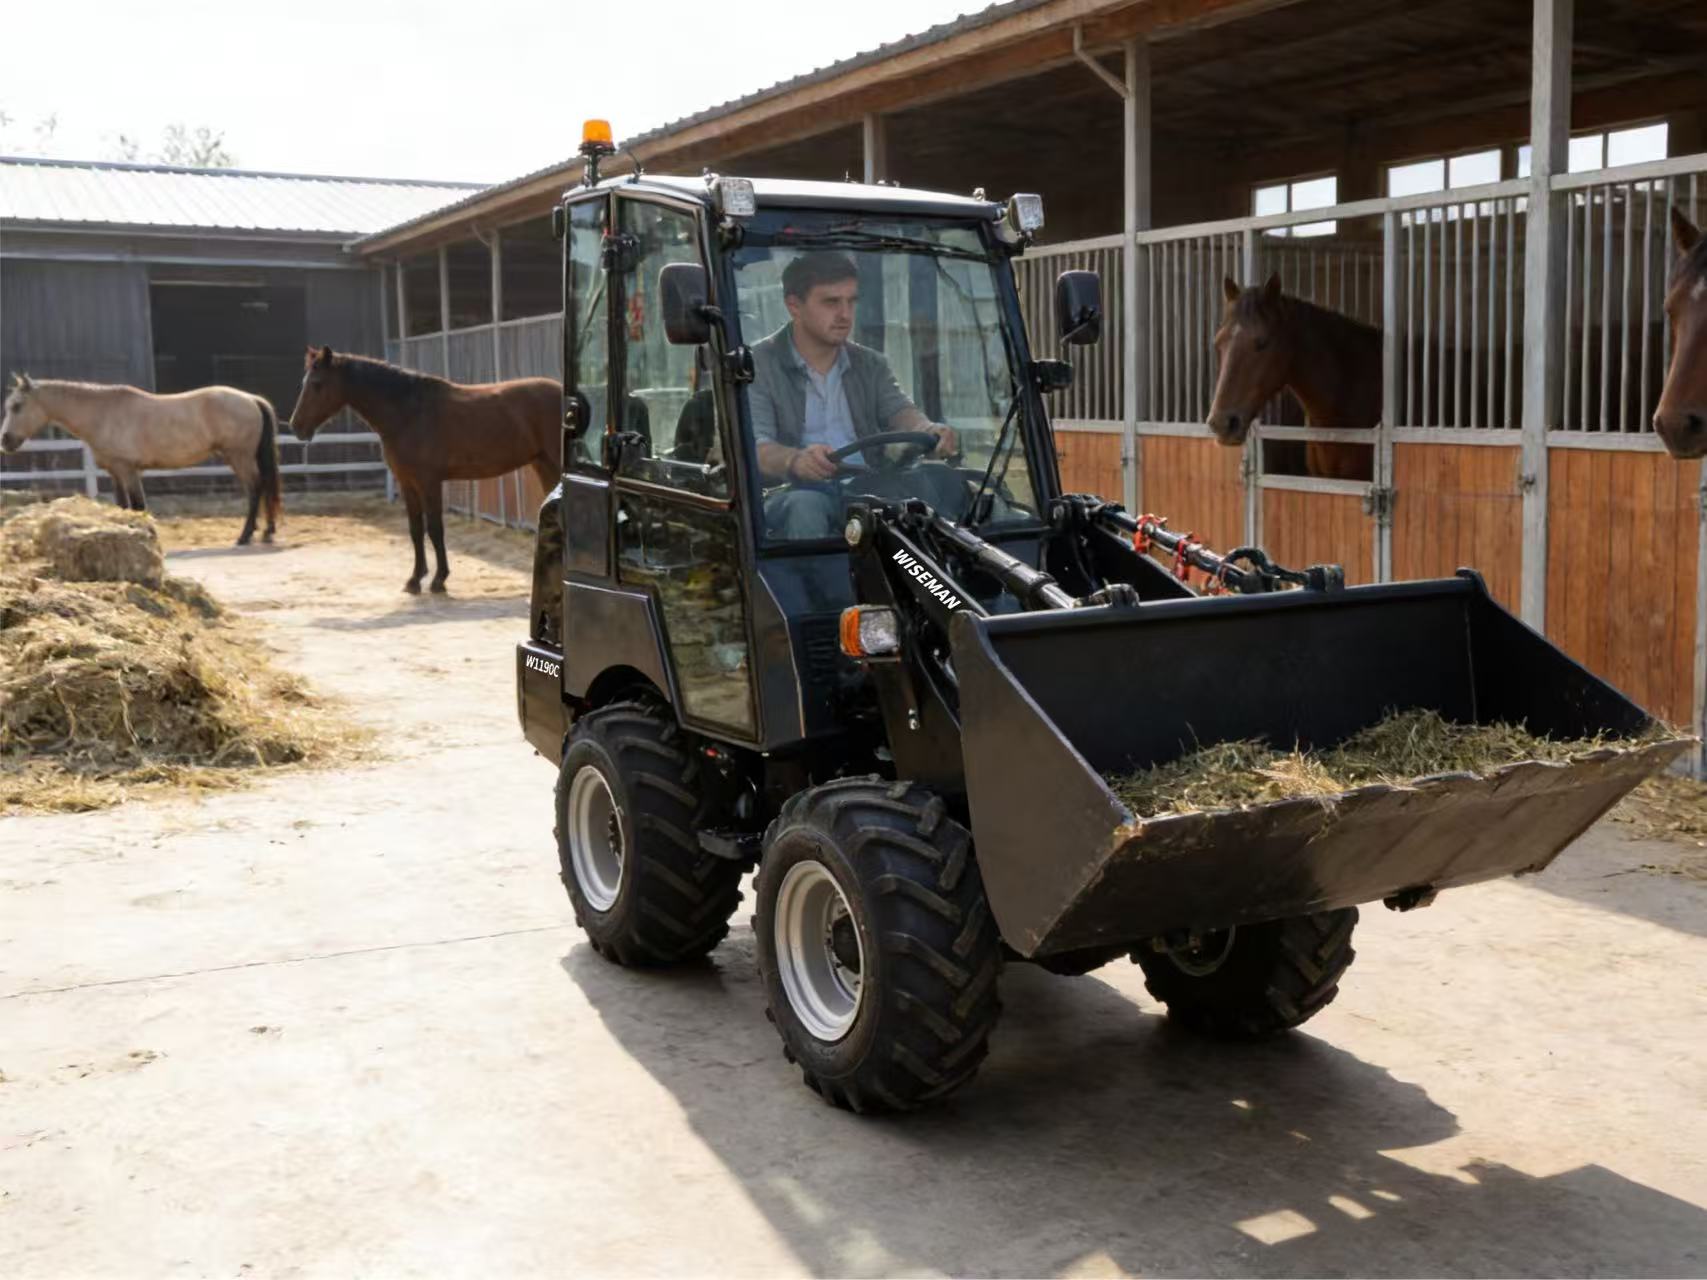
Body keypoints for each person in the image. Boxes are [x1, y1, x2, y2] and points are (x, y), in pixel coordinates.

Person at [749, 251, 963, 538]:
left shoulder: (870, 363)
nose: (845, 315)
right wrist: (795, 460)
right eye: (831, 302)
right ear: (794, 306)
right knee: (805, 509)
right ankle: (823, 583)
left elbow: (900, 411)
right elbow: (756, 446)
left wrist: (927, 429)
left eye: (851, 301)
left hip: (865, 487)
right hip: (791, 491)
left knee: (940, 483)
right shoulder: (756, 365)